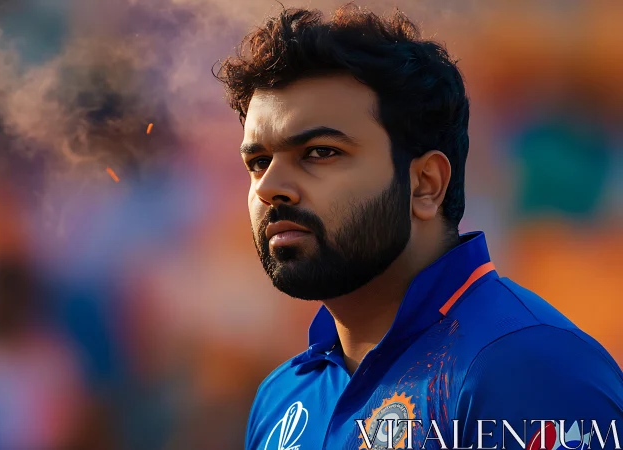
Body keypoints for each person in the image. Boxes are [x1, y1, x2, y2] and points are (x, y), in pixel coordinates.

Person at [215, 5, 623, 450]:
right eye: (258, 163)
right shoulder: (283, 395)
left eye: (320, 152)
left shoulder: (526, 368)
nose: (270, 187)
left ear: (425, 185)